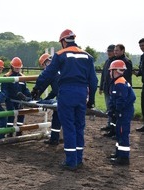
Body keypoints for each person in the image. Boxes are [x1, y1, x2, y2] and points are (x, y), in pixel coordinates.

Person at [31, 29, 98, 171]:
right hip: (81, 94)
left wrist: (37, 89)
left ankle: (70, 161)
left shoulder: (60, 55)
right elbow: (93, 80)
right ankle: (79, 159)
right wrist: (91, 99)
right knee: (79, 127)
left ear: (63, 41)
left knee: (68, 127)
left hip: (66, 93)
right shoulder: (87, 56)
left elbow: (48, 73)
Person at [107, 60, 136, 166]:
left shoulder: (119, 83)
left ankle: (123, 158)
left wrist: (116, 111)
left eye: (111, 71)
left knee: (122, 134)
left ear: (115, 71)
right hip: (123, 112)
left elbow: (120, 100)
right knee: (119, 133)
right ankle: (119, 154)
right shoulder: (119, 82)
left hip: (124, 113)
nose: (110, 73)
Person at [1, 57, 31, 137]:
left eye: (19, 68)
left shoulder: (22, 77)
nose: (17, 69)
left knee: (21, 113)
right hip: (10, 99)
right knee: (11, 114)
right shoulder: (7, 76)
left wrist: (29, 95)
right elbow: (4, 89)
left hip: (20, 100)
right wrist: (8, 99)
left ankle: (19, 131)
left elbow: (25, 89)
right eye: (16, 67)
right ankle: (9, 131)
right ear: (12, 67)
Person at [37, 53, 61, 146]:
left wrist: (43, 101)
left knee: (57, 117)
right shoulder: (61, 67)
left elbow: (51, 89)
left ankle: (54, 139)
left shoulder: (51, 72)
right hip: (74, 94)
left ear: (45, 63)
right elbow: (54, 91)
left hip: (62, 96)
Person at [99, 45, 116, 137]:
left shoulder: (115, 62)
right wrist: (101, 87)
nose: (109, 52)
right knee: (109, 108)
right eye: (108, 51)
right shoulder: (107, 62)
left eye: (111, 51)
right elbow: (103, 76)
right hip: (106, 88)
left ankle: (112, 127)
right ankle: (109, 125)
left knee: (112, 108)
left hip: (112, 89)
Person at [134, 38, 144, 132]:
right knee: (143, 104)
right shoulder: (142, 57)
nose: (141, 47)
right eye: (140, 46)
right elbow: (141, 70)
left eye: (143, 45)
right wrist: (137, 73)